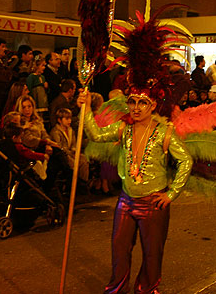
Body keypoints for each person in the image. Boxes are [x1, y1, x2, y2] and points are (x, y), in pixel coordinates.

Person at [78, 84, 192, 293]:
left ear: (153, 105)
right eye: (132, 102)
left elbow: (185, 160)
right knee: (119, 249)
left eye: (143, 103)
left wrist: (171, 193)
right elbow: (95, 134)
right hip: (126, 200)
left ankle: (146, 289)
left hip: (153, 203)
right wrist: (85, 108)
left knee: (152, 253)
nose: (136, 108)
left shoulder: (163, 133)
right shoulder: (123, 128)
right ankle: (117, 289)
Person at [49, 107, 88, 183]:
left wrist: (74, 149)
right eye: (66, 119)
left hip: (71, 152)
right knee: (73, 163)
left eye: (70, 118)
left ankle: (83, 182)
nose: (69, 121)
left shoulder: (70, 130)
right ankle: (73, 183)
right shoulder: (55, 132)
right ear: (59, 120)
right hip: (63, 155)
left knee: (83, 159)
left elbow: (73, 143)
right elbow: (60, 147)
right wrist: (70, 153)